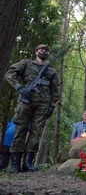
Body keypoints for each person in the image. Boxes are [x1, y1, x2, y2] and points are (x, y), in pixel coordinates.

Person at [5, 44, 60, 173]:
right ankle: (15, 164)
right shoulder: (26, 64)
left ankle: (28, 163)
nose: (44, 52)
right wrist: (20, 88)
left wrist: (52, 106)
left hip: (42, 105)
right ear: (36, 52)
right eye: (41, 49)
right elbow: (9, 74)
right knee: (20, 131)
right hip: (25, 103)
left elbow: (55, 91)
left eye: (47, 50)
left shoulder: (51, 71)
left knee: (36, 133)